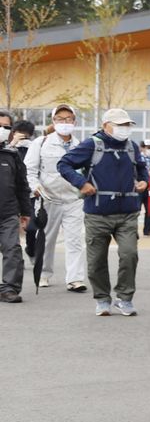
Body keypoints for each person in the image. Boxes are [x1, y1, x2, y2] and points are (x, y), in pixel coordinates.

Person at [57, 108, 149, 317]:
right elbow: (64, 164)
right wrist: (82, 183)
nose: (124, 129)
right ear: (106, 125)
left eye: (127, 125)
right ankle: (102, 298)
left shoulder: (132, 147)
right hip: (97, 213)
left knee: (129, 254)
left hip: (128, 212)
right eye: (119, 125)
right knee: (96, 260)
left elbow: (141, 169)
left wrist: (143, 181)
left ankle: (124, 298)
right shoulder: (92, 144)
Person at [24, 104, 87, 291]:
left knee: (75, 240)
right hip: (47, 199)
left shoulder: (81, 146)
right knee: (46, 239)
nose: (65, 122)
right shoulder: (41, 143)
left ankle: (75, 279)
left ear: (74, 121)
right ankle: (44, 273)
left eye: (68, 119)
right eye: (60, 119)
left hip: (74, 200)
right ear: (53, 121)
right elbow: (29, 170)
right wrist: (35, 187)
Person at [0, 115, 32, 304]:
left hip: (8, 213)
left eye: (6, 127)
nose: (3, 129)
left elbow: (22, 185)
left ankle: (9, 288)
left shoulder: (12, 156)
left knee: (12, 249)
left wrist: (26, 212)